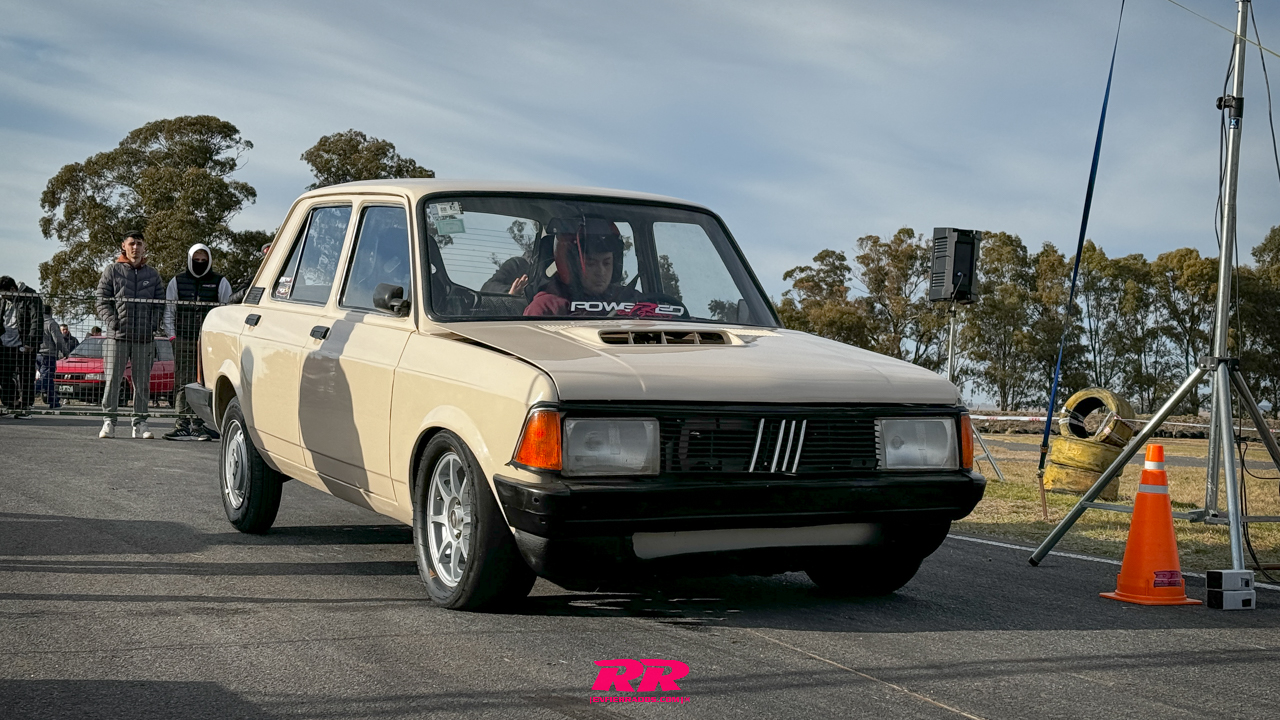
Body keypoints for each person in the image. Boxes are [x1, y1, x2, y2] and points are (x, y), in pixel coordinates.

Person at [95, 230, 165, 439]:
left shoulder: (153, 274)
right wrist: (113, 322)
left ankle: (140, 423)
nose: (135, 247)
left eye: (139, 243)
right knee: (113, 380)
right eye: (132, 243)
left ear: (145, 247)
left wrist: (152, 325)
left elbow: (160, 303)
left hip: (144, 338)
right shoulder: (112, 271)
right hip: (117, 337)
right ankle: (109, 421)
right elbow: (101, 300)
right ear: (123, 246)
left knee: (142, 383)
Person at [163, 243, 231, 440]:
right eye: (196, 259)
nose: (200, 262)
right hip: (183, 339)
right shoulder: (177, 281)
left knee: (205, 383)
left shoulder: (221, 282)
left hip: (209, 343)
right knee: (183, 382)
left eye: (203, 259)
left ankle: (199, 425)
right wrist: (172, 337)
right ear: (189, 259)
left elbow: (226, 311)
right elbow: (169, 311)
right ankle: (182, 424)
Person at [523, 221, 641, 316]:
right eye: (591, 264)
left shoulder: (630, 302)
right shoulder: (546, 308)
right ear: (571, 266)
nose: (601, 272)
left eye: (607, 263)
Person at [0, 277, 43, 418]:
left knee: (25, 376)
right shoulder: (3, 301)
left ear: (13, 289)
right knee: (4, 374)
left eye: (4, 294)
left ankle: (25, 406)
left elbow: (36, 320)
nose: (3, 297)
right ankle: (10, 403)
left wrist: (31, 341)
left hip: (23, 344)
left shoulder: (30, 296)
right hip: (5, 343)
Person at [36, 305, 69, 408]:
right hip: (48, 354)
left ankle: (54, 401)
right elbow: (58, 340)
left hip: (37, 354)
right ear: (50, 311)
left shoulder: (37, 322)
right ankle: (29, 393)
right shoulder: (51, 323)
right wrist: (65, 352)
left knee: (48, 378)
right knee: (45, 378)